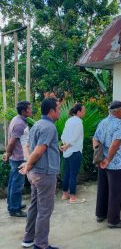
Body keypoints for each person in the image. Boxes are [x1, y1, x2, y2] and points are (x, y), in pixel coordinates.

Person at [19, 97, 61, 249]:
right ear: (51, 111)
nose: (60, 112)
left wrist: (29, 165)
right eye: (58, 109)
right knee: (44, 211)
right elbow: (39, 150)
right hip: (44, 174)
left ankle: (28, 239)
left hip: (36, 173)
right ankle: (41, 244)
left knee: (34, 207)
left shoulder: (36, 124)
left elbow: (30, 146)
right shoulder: (49, 127)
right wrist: (28, 165)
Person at [93, 100, 121, 229]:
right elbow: (116, 143)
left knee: (103, 189)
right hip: (116, 164)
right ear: (119, 110)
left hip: (103, 162)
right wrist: (108, 159)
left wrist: (99, 157)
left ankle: (101, 214)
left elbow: (95, 139)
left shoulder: (103, 122)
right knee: (116, 192)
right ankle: (113, 220)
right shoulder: (119, 124)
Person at [3, 101, 32, 217]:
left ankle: (13, 204)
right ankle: (14, 209)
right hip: (19, 158)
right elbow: (12, 142)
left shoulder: (17, 119)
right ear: (24, 111)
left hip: (17, 157)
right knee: (17, 184)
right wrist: (8, 153)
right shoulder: (20, 123)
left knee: (13, 182)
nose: (31, 110)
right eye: (29, 109)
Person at [60, 103, 86, 203]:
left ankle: (65, 194)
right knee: (73, 175)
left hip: (67, 152)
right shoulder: (79, 122)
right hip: (75, 151)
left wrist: (64, 145)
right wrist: (67, 145)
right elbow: (75, 137)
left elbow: (63, 135)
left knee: (67, 173)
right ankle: (73, 197)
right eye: (83, 110)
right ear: (78, 112)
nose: (84, 112)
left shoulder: (68, 120)